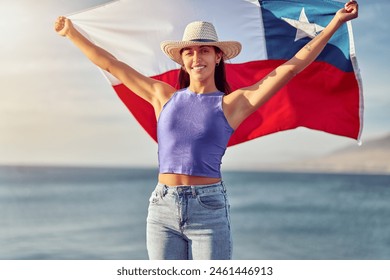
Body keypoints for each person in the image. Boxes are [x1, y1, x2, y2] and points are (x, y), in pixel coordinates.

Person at [54, 0, 358, 260]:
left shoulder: (234, 103)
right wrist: (71, 33)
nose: (196, 58)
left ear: (218, 56)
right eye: (189, 52)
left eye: (204, 51)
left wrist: (334, 23)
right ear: (183, 60)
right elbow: (111, 64)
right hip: (161, 207)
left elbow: (290, 67)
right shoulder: (162, 96)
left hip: (208, 209)